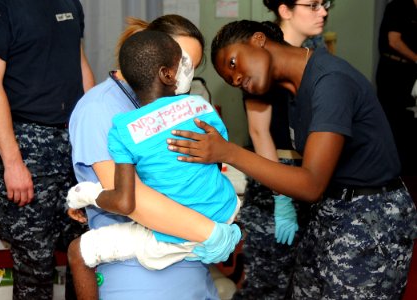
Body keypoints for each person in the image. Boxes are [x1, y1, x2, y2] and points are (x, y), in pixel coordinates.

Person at [166, 20, 417, 299]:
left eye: (234, 63)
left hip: (372, 218)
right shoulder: (296, 90)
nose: (235, 79)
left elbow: (311, 183)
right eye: (228, 78)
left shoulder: (330, 81)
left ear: (258, 39)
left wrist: (228, 152)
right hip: (330, 211)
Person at [68, 15, 241, 300]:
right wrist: (213, 231)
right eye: (184, 63)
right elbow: (135, 200)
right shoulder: (99, 109)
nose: (186, 74)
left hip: (192, 263)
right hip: (138, 270)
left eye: (193, 68)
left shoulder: (177, 108)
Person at [0, 0, 94, 299]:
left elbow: (80, 65)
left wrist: (95, 138)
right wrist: (13, 163)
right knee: (35, 267)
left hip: (73, 144)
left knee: (86, 254)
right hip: (28, 146)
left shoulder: (70, 3)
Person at [234, 1, 330, 298]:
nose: (322, 11)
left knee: (310, 282)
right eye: (312, 5)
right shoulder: (264, 57)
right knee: (267, 284)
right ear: (284, 9)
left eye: (325, 4)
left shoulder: (317, 56)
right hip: (276, 176)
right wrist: (281, 198)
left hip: (314, 175)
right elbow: (259, 131)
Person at [376, 0, 417, 176]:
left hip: (411, 73)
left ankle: (406, 170)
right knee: (391, 121)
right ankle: (388, 171)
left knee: (409, 123)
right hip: (392, 72)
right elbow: (393, 41)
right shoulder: (398, 6)